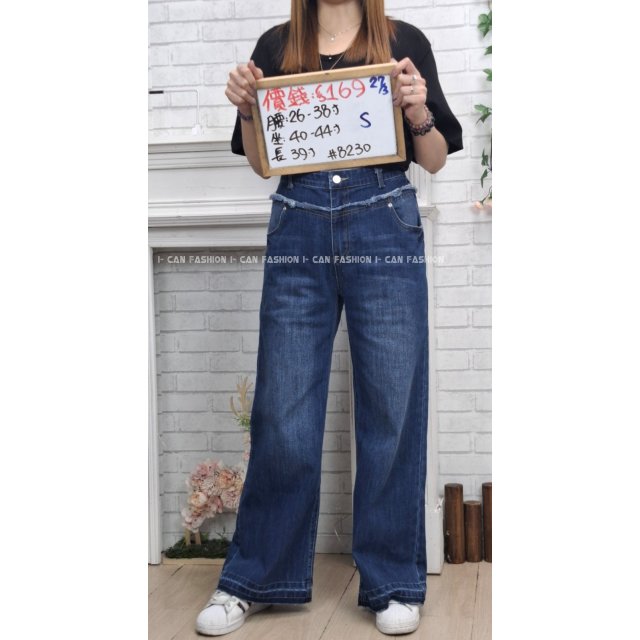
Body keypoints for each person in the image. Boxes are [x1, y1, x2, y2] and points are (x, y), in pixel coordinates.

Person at [195, 0, 463, 635]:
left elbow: (433, 158)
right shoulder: (275, 45)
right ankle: (256, 577)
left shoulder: (402, 40)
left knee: (392, 408)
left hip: (385, 220)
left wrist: (417, 109)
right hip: (299, 222)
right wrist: (247, 109)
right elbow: (262, 161)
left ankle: (392, 581)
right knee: (283, 409)